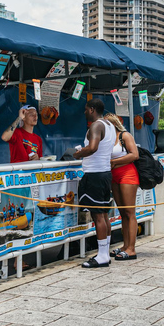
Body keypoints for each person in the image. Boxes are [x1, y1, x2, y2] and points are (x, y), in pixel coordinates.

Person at [73, 99, 117, 268]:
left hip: (95, 175)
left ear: (92, 109)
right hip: (105, 173)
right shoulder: (110, 125)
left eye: (85, 109)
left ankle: (102, 256)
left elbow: (92, 147)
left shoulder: (96, 126)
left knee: (98, 216)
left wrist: (78, 154)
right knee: (104, 214)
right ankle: (104, 253)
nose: (84, 112)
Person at [104, 113, 140, 260]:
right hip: (114, 176)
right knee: (122, 212)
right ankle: (125, 245)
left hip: (127, 174)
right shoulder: (107, 139)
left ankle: (131, 248)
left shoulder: (124, 135)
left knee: (130, 212)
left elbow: (134, 154)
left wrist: (115, 162)